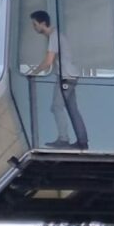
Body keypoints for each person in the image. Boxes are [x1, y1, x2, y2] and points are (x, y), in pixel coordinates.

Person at [28, 10, 89, 150]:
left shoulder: (54, 37)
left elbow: (48, 61)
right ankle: (82, 141)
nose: (34, 28)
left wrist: (33, 74)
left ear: (43, 23)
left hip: (65, 77)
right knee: (72, 109)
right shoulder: (56, 36)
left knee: (56, 107)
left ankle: (63, 139)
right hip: (70, 76)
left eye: (35, 24)